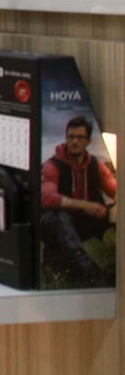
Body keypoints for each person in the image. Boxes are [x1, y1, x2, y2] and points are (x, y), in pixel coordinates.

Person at [39, 115, 118, 284]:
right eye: (71, 137)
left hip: (84, 221)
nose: (74, 141)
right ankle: (92, 275)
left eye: (80, 137)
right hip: (53, 223)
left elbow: (115, 190)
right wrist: (85, 205)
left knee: (117, 212)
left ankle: (117, 266)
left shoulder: (96, 165)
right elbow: (47, 197)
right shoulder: (53, 165)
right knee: (61, 218)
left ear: (88, 141)